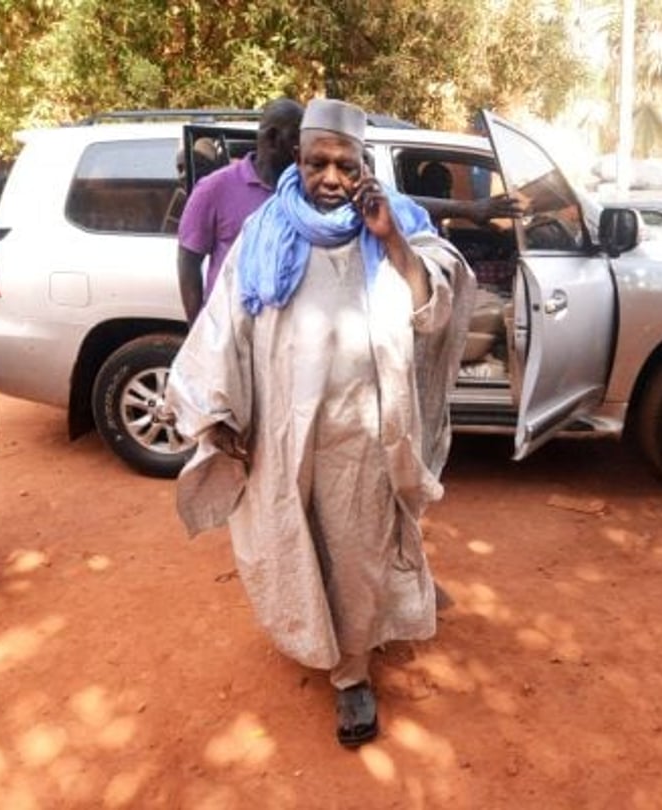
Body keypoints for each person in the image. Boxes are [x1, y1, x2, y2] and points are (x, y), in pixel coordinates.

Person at [166, 99, 474, 748]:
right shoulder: (264, 232)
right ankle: (323, 643)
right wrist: (215, 410)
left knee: (358, 555)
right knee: (296, 546)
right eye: (316, 163)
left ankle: (351, 673)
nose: (330, 178)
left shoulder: (398, 224)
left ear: (365, 165)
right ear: (296, 161)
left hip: (363, 438)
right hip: (283, 435)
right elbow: (225, 323)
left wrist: (389, 238)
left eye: (344, 163)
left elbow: (436, 307)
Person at [177, 99, 304, 324]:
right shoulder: (215, 188)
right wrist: (198, 329)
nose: (302, 149)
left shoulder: (302, 191)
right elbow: (188, 261)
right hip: (229, 327)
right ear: (273, 138)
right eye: (297, 138)